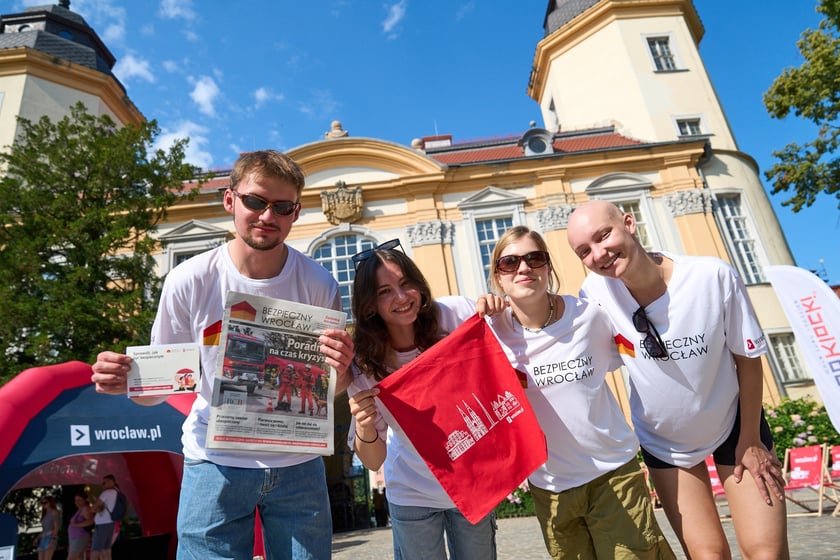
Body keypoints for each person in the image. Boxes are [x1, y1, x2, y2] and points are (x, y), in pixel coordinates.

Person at [91, 150, 355, 560]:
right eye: (256, 201)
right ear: (230, 201)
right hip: (214, 463)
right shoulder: (188, 279)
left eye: (282, 207)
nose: (268, 216)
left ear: (296, 213)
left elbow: (330, 389)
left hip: (298, 465)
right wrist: (130, 381)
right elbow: (161, 386)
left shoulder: (320, 283)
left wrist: (340, 369)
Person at [566, 200, 789, 559]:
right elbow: (559, 340)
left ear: (629, 223)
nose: (598, 254)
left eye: (602, 236)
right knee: (708, 555)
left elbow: (747, 359)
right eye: (584, 251)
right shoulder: (594, 294)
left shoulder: (711, 276)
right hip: (665, 442)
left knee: (767, 552)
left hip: (735, 426)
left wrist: (750, 440)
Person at [478, 226, 674, 559]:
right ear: (497, 277)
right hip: (550, 487)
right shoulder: (489, 335)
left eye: (534, 258)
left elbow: (646, 353)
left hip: (612, 475)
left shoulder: (590, 315)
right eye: (510, 262)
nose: (524, 268)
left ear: (548, 268)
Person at [347, 243, 497, 560]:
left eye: (405, 284)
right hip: (413, 492)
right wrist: (364, 426)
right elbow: (373, 460)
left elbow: (502, 356)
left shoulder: (455, 314)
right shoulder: (364, 363)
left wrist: (496, 309)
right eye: (385, 291)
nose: (402, 298)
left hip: (472, 481)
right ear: (370, 305)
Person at [91, 475, 119, 560]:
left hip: (102, 523)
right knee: (106, 549)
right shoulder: (117, 492)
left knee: (96, 549)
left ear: (111, 481)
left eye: (104, 482)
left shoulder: (106, 493)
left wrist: (93, 509)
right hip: (111, 523)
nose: (102, 484)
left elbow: (94, 506)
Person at [67, 490, 94, 560]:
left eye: (79, 500)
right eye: (76, 500)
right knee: (79, 557)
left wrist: (76, 525)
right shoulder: (80, 509)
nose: (77, 502)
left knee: (71, 558)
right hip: (74, 538)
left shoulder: (85, 508)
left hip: (80, 536)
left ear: (85, 500)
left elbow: (91, 521)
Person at [35, 496, 59, 560]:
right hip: (43, 538)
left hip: (50, 537)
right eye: (42, 503)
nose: (43, 504)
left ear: (50, 503)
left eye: (45, 502)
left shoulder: (54, 512)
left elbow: (56, 527)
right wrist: (37, 538)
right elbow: (44, 529)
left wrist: (53, 540)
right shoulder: (45, 513)